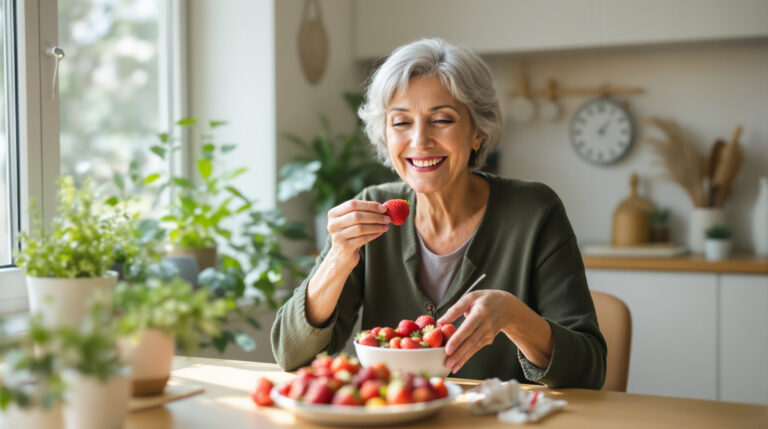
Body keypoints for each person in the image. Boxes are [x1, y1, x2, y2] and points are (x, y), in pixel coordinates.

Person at [271, 38, 606, 388]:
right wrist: (337, 259)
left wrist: (515, 316)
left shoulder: (535, 212)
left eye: (442, 119)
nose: (420, 140)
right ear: (385, 135)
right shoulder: (373, 208)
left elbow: (589, 371)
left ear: (478, 132)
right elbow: (291, 356)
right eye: (401, 123)